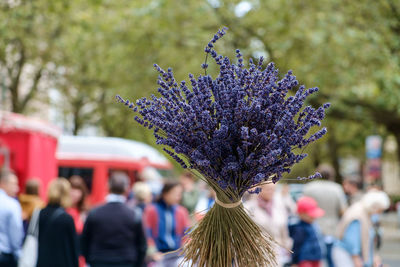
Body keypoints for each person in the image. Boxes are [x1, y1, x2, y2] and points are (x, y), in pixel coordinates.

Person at [81, 172, 147, 267]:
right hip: (126, 261)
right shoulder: (134, 214)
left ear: (108, 186)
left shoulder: (94, 213)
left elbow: (84, 241)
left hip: (99, 260)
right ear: (127, 188)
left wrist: (90, 259)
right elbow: (142, 245)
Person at [303, 164, 347, 267]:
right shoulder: (337, 189)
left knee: (314, 260)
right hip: (332, 228)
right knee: (331, 259)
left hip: (312, 227)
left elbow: (303, 208)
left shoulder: (309, 188)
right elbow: (343, 210)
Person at [332, 190, 390, 267]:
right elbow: (351, 241)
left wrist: (373, 256)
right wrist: (356, 259)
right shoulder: (358, 215)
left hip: (351, 254)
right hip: (347, 255)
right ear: (375, 206)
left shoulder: (365, 212)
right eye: (380, 210)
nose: (379, 213)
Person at [245, 183, 293, 266]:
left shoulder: (279, 206)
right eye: (268, 189)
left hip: (276, 253)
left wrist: (287, 246)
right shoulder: (249, 207)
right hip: (256, 253)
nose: (271, 192)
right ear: (259, 189)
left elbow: (284, 229)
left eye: (273, 189)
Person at [144, 181, 190, 266]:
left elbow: (187, 233)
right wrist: (153, 252)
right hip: (159, 255)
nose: (178, 197)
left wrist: (187, 245)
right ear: (165, 193)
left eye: (180, 194)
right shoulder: (152, 210)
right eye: (176, 193)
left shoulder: (182, 212)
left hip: (177, 254)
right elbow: (147, 234)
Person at [37, 178, 79, 267]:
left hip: (41, 262)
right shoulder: (67, 218)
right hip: (62, 263)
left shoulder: (39, 213)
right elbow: (73, 249)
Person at [289, 196, 325, 267]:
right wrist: (294, 261)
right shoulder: (299, 228)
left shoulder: (313, 224)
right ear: (301, 214)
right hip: (305, 259)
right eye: (311, 215)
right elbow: (296, 246)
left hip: (316, 257)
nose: (314, 217)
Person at [0, 169, 24, 267]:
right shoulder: (12, 204)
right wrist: (18, 253)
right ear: (3, 183)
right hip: (5, 256)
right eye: (13, 184)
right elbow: (16, 232)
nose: (17, 188)